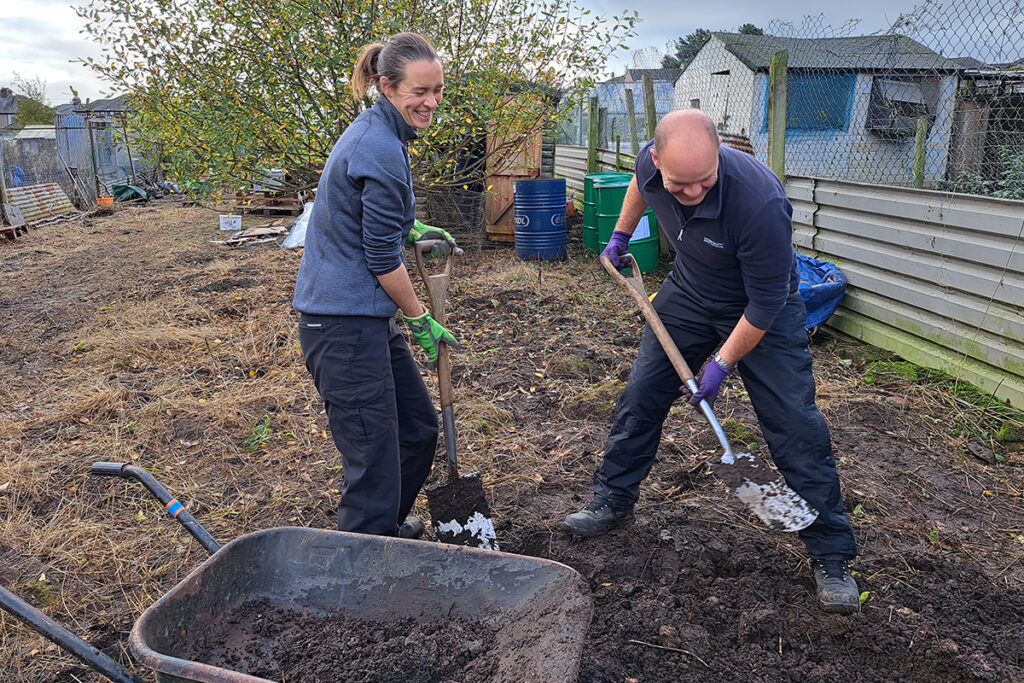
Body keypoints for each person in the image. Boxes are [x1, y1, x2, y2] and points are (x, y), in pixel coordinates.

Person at [564, 109, 860, 614]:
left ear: (719, 157)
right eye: (681, 185)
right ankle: (613, 500)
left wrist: (721, 364)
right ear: (658, 160)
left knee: (792, 423)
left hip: (760, 305)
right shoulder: (651, 165)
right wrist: (620, 234)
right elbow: (640, 185)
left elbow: (766, 305)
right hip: (690, 291)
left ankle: (831, 555)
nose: (694, 193)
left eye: (705, 181)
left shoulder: (760, 202)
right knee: (642, 394)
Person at [293, 32, 458, 539]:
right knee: (373, 460)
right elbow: (381, 257)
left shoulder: (381, 133)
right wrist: (418, 318)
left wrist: (408, 227)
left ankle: (383, 530)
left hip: (363, 318)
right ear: (387, 86)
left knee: (416, 431)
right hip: (342, 326)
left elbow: (358, 215)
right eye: (419, 92)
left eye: (438, 91)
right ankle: (361, 564)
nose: (430, 102)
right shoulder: (379, 145)